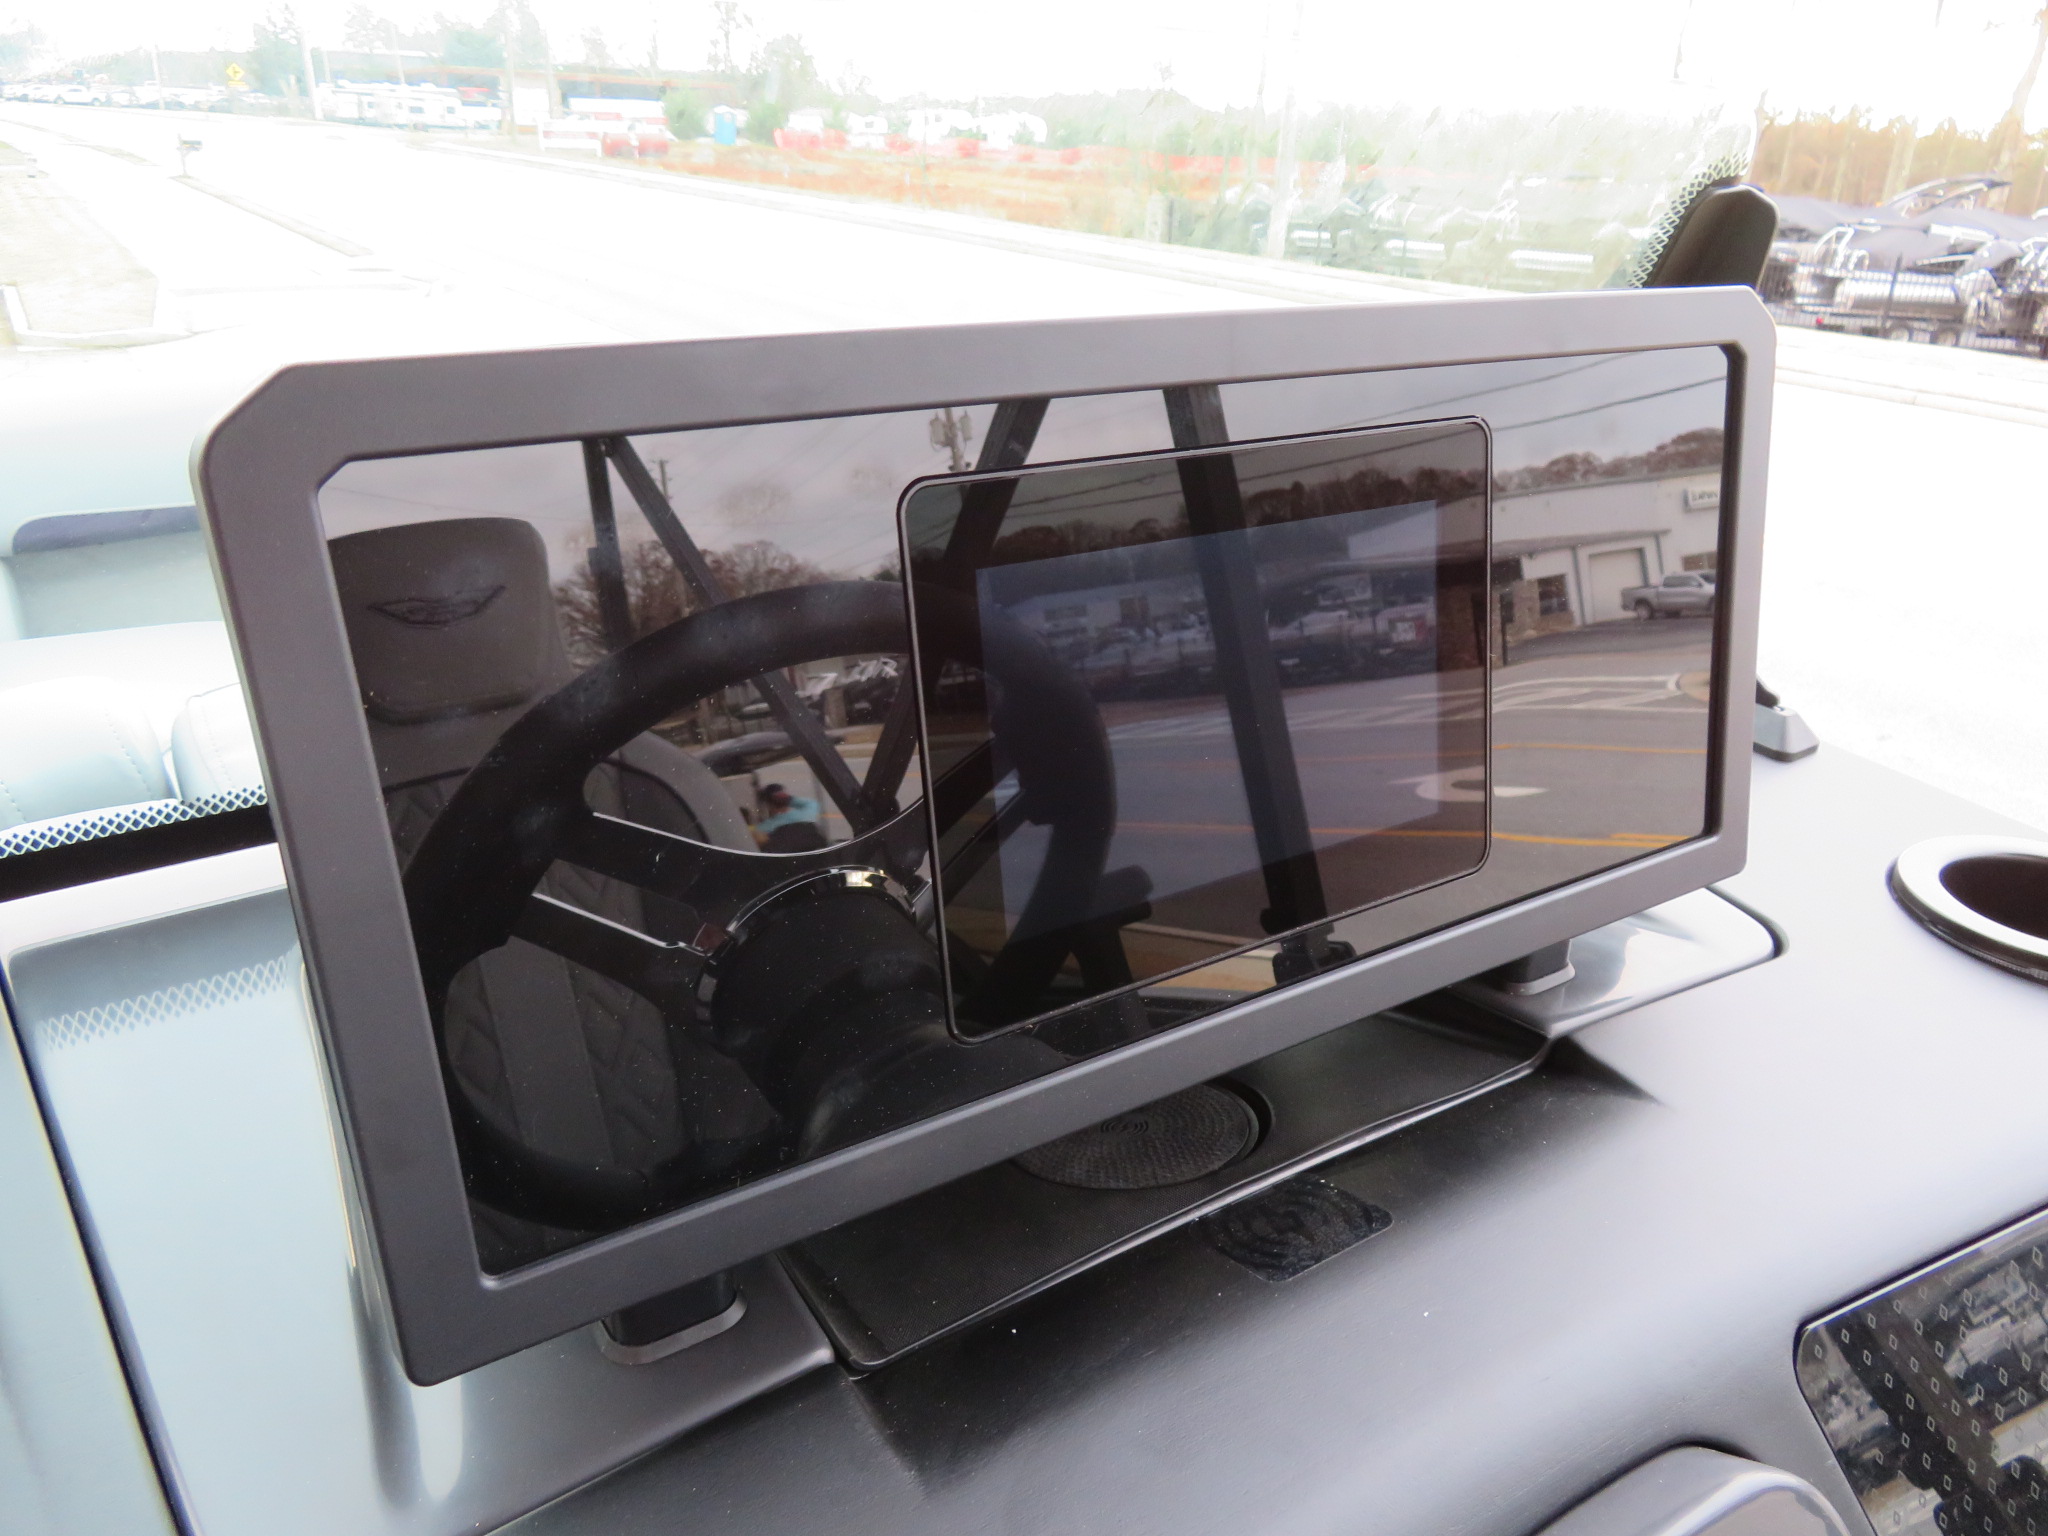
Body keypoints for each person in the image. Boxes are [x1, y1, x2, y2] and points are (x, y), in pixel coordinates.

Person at [754, 782, 826, 852]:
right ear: (788, 800)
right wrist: (788, 799)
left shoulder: (765, 827)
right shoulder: (808, 813)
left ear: (768, 804)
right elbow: (812, 803)